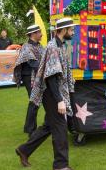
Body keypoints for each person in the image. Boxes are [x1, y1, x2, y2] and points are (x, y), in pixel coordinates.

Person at [15, 18, 76, 170]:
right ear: (63, 30)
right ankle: (61, 165)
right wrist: (59, 100)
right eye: (71, 29)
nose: (73, 32)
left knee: (49, 125)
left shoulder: (60, 45)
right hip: (51, 92)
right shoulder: (53, 47)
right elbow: (51, 76)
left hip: (54, 91)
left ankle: (24, 150)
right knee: (60, 128)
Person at [13, 25, 44, 137]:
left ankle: (37, 127)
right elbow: (33, 63)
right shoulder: (26, 47)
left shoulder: (40, 46)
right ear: (33, 34)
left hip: (39, 76)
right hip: (29, 77)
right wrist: (48, 68)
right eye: (39, 32)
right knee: (34, 101)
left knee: (38, 102)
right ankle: (31, 130)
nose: (41, 34)